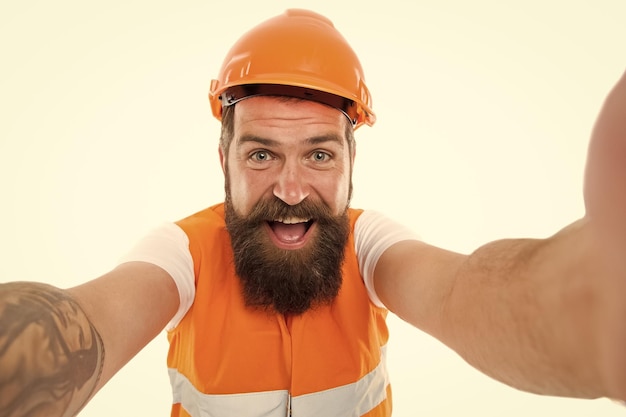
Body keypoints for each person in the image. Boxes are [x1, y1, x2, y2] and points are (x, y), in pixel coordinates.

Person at [0, 7, 625, 417]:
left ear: (352, 162)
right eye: (263, 153)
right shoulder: (179, 254)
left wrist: (601, 303)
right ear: (224, 159)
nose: (292, 189)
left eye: (319, 155)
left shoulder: (370, 243)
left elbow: (471, 292)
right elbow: (83, 321)